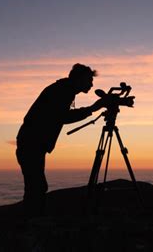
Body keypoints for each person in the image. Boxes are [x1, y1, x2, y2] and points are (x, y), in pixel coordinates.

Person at [16, 63, 104, 217]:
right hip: (32, 143)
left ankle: (31, 221)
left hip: (32, 142)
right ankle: (31, 223)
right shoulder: (62, 91)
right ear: (79, 79)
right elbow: (62, 117)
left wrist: (91, 109)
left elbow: (60, 115)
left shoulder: (64, 89)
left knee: (36, 186)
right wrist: (92, 109)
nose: (91, 84)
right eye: (89, 80)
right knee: (36, 187)